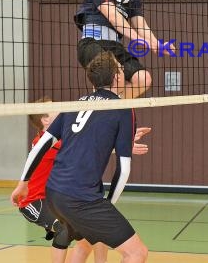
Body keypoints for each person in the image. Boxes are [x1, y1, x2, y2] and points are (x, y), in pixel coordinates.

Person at [11, 51, 148, 263]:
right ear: (117, 77)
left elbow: (40, 146)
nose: (123, 72)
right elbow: (124, 169)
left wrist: (23, 183)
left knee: (87, 242)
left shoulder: (73, 105)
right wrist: (108, 204)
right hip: (80, 199)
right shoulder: (122, 109)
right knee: (137, 253)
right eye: (121, 69)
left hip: (54, 195)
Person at [74, 0, 171, 99]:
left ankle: (112, 106)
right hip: (92, 42)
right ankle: (102, 110)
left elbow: (141, 24)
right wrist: (139, 39)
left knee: (143, 79)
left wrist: (156, 44)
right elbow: (113, 16)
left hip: (114, 46)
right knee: (114, 74)